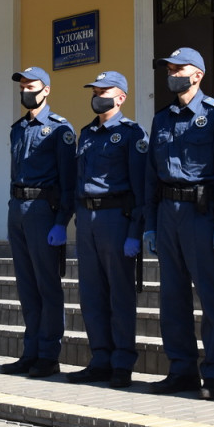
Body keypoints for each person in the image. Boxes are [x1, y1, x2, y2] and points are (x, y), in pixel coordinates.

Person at [143, 47, 214, 399]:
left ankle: (213, 374)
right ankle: (181, 369)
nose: (172, 74)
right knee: (172, 298)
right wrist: (150, 224)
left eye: (178, 68)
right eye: (169, 69)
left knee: (212, 297)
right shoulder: (161, 119)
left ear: (197, 74)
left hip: (202, 213)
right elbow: (151, 176)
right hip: (168, 214)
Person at [67, 71, 148, 388]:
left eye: (104, 90)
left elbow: (140, 187)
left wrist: (135, 232)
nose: (97, 94)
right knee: (91, 294)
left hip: (117, 218)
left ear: (121, 97)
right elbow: (77, 179)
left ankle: (122, 363)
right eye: (95, 90)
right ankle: (99, 358)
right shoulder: (85, 133)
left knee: (120, 294)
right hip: (87, 220)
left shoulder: (131, 134)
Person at [2, 66, 77, 378]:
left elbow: (69, 181)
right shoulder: (17, 128)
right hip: (18, 209)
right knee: (26, 285)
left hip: (44, 211)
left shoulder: (61, 129)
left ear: (46, 90)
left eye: (31, 86)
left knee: (47, 285)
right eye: (22, 87)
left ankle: (48, 354)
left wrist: (61, 221)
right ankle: (30, 351)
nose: (25, 91)